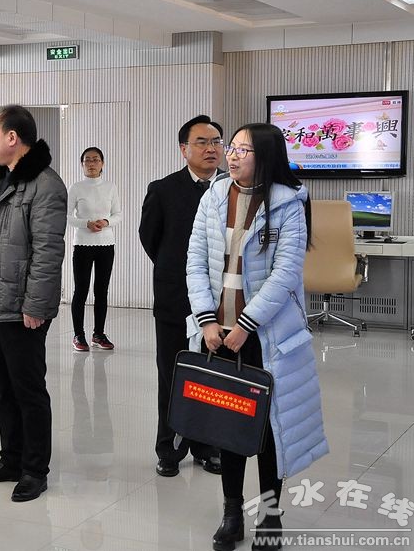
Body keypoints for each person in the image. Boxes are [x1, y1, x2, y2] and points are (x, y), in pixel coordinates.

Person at [186, 123, 328, 551]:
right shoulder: (214, 195)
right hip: (217, 332)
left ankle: (270, 515)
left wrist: (246, 324)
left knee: (269, 430)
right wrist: (207, 320)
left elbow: (286, 274)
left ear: (265, 156)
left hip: (266, 336)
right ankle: (232, 514)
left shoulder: (289, 201)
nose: (231, 155)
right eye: (231, 147)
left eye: (242, 150)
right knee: (228, 426)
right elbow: (195, 260)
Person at [0, 104, 67, 503]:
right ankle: (11, 459)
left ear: (12, 137)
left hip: (21, 308)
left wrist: (36, 306)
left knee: (28, 389)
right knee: (2, 385)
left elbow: (48, 252)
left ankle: (34, 469)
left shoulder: (45, 185)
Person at [138, 115, 224, 478]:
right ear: (183, 149)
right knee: (172, 375)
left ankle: (207, 445)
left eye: (216, 142)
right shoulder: (163, 189)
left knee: (212, 375)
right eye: (202, 142)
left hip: (221, 304)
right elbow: (150, 239)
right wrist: (177, 270)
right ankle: (169, 448)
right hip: (175, 298)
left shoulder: (233, 188)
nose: (211, 148)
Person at [67, 146, 121, 352]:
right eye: (87, 160)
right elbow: (67, 216)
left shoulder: (110, 187)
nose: (91, 163)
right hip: (82, 244)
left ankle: (99, 334)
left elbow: (118, 214)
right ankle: (78, 335)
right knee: (81, 290)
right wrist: (86, 223)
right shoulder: (76, 188)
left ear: (102, 164)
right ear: (82, 164)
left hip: (106, 244)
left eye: (95, 159)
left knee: (101, 290)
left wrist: (106, 222)